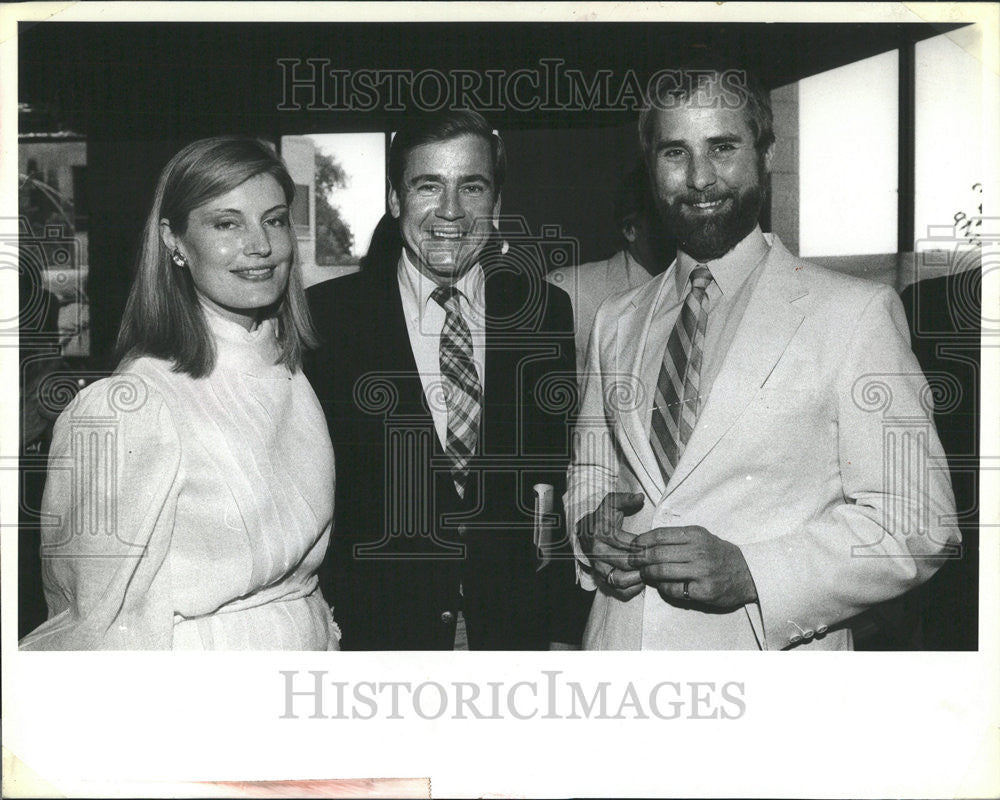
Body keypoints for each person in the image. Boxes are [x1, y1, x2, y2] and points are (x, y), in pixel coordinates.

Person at [566, 68, 960, 650]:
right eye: (676, 152)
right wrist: (591, 528)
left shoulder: (854, 314)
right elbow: (591, 473)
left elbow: (922, 522)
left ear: (766, 154)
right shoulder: (616, 321)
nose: (700, 179)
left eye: (722, 148)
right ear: (650, 168)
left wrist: (753, 571)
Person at [20, 137, 340, 650]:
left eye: (274, 219)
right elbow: (94, 625)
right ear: (175, 241)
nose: (259, 245)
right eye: (227, 223)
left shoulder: (291, 374)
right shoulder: (130, 408)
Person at [306, 110, 590, 650]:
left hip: (510, 640)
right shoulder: (325, 321)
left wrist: (559, 633)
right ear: (395, 200)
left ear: (498, 203)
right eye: (428, 185)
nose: (451, 212)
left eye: (473, 186)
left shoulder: (544, 313)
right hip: (377, 644)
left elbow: (550, 482)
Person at [546, 162, 675, 378]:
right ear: (630, 230)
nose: (675, 229)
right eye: (662, 219)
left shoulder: (695, 293)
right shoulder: (567, 291)